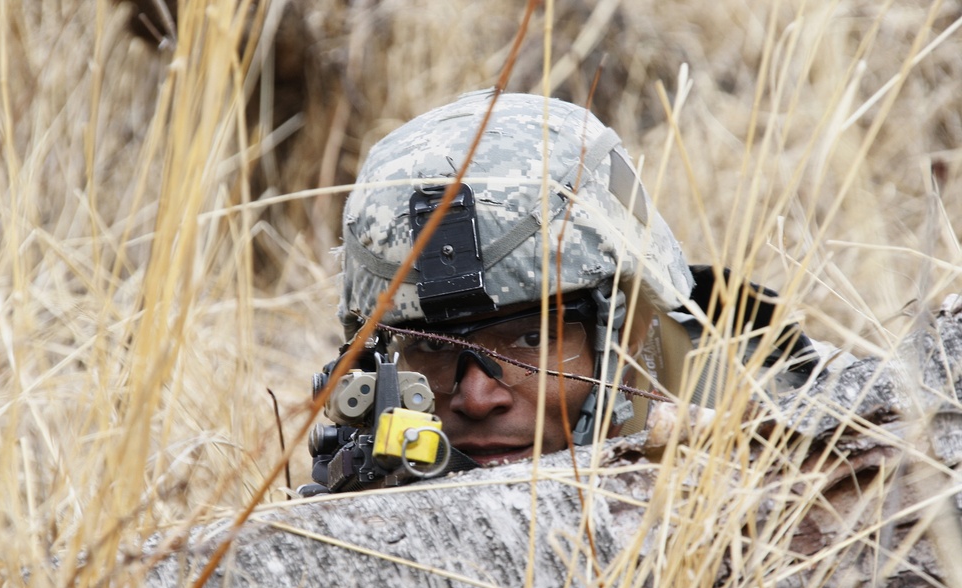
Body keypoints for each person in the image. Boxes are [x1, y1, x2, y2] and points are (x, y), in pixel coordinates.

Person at [304, 91, 820, 492]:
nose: (478, 399)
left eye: (532, 338)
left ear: (631, 329)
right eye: (435, 346)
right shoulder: (382, 457)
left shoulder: (797, 433)